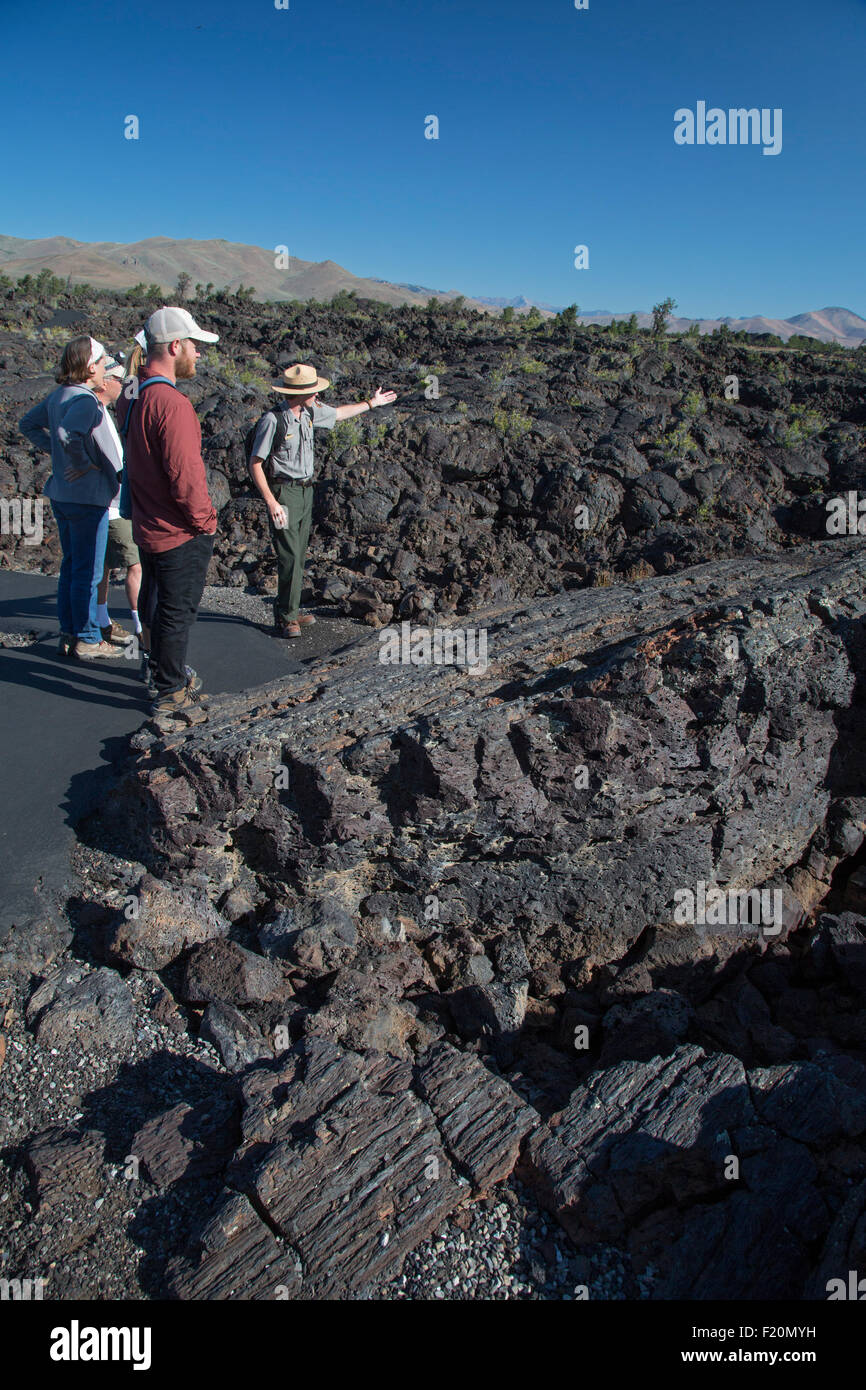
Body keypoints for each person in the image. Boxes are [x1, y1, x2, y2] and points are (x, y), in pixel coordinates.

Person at [116, 307, 218, 718]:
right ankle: (170, 691)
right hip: (177, 529)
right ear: (175, 346)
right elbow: (185, 476)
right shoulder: (172, 404)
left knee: (155, 603)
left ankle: (160, 671)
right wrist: (205, 521)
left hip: (146, 523)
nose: (198, 354)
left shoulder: (133, 394)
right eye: (193, 345)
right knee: (176, 611)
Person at [248, 365, 397, 637]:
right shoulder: (274, 420)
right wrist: (271, 502)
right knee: (289, 555)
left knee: (298, 554)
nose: (318, 395)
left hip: (306, 491)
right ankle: (286, 619)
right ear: (300, 392)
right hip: (284, 492)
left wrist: (371, 403)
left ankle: (289, 610)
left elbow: (339, 414)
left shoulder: (309, 412)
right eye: (313, 391)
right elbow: (255, 463)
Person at [18, 335, 126, 659]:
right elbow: (68, 435)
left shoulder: (59, 396)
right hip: (87, 498)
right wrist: (82, 462)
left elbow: (28, 425)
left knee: (71, 566)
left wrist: (59, 455)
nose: (107, 366)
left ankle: (69, 633)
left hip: (63, 496)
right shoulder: (85, 401)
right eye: (103, 361)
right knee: (89, 572)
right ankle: (89, 638)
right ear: (89, 366)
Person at [93, 357, 140, 645]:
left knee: (105, 565)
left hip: (106, 503)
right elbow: (113, 462)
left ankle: (101, 620)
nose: (123, 386)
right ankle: (139, 626)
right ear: (105, 382)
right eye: (120, 381)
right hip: (113, 505)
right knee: (135, 564)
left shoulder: (99, 411)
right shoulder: (96, 413)